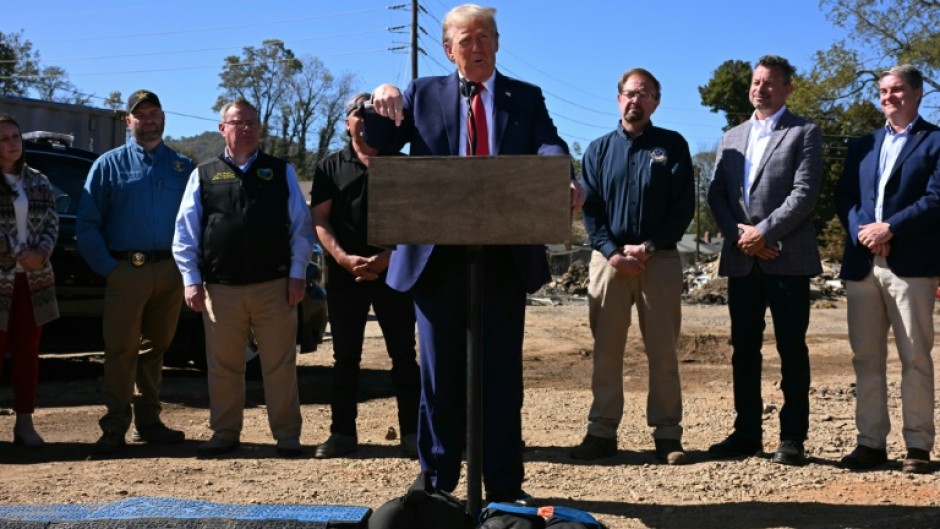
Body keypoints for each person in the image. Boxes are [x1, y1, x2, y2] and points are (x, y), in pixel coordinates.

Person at [364, 4, 584, 503]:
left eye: (485, 37)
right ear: (449, 50)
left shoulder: (524, 97)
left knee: (501, 378)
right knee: (439, 377)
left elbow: (548, 144)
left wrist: (560, 175)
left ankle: (503, 485)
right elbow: (376, 140)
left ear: (498, 43)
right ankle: (439, 483)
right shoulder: (420, 94)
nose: (477, 46)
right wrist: (375, 97)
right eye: (466, 40)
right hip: (434, 261)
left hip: (502, 259)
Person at [173, 98, 315, 458]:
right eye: (238, 122)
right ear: (223, 129)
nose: (247, 128)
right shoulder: (203, 174)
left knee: (280, 364)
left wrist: (298, 273)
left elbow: (301, 228)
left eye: (252, 122)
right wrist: (191, 280)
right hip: (220, 289)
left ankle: (287, 436)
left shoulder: (279, 171)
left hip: (275, 286)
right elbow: (185, 232)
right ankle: (224, 432)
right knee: (223, 365)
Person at [570, 68, 694, 465]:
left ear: (656, 102)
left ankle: (667, 435)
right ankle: (602, 432)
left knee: (663, 351)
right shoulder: (598, 150)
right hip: (608, 262)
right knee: (607, 349)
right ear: (618, 99)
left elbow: (682, 207)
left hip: (659, 261)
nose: (635, 100)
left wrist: (648, 246)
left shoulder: (672, 146)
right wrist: (611, 250)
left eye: (643, 94)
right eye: (628, 93)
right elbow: (590, 210)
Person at [706, 55, 823, 466]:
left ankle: (793, 437)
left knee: (792, 349)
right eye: (756, 82)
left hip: (787, 258)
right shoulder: (731, 136)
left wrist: (764, 233)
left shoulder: (804, 132)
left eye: (770, 83)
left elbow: (804, 195)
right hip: (743, 260)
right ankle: (746, 432)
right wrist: (742, 237)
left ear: (787, 89)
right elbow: (716, 195)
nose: (761, 89)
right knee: (745, 350)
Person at [835, 65, 940, 475]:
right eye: (883, 90)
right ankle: (870, 443)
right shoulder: (863, 143)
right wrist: (864, 232)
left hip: (910, 266)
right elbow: (844, 197)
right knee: (866, 357)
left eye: (897, 90)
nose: (888, 97)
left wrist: (890, 228)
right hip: (863, 264)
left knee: (916, 355)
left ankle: (917, 445)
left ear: (917, 93)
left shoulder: (934, 142)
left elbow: (936, 199)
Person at [77, 90, 194, 455]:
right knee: (121, 351)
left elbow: (196, 222)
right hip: (127, 269)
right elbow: (88, 222)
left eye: (154, 113)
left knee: (156, 350)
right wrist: (109, 269)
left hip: (170, 272)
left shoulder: (182, 166)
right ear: (128, 121)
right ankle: (114, 427)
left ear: (164, 117)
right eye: (140, 115)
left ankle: (149, 423)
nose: (148, 120)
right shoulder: (108, 165)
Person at [311, 92, 421, 459]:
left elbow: (416, 219)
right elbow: (320, 219)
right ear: (347, 122)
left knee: (404, 357)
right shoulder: (330, 166)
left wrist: (389, 258)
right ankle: (342, 434)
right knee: (345, 359)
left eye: (371, 113)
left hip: (396, 273)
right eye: (358, 114)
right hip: (345, 276)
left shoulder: (400, 164)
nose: (364, 119)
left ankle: (413, 434)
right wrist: (343, 258)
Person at [0, 114, 59, 448]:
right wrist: (14, 249)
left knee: (27, 353)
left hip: (34, 278)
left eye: (15, 136)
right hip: (2, 276)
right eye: (5, 138)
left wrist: (42, 253)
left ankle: (24, 424)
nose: (13, 142)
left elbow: (52, 220)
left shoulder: (38, 181)